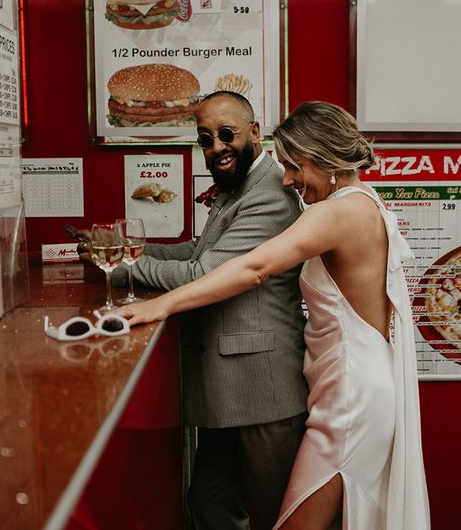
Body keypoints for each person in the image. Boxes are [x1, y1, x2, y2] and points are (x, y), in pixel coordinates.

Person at [111, 101, 431, 530]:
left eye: (294, 167)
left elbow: (253, 268)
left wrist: (160, 304)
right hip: (345, 387)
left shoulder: (336, 213)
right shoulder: (362, 202)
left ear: (322, 159)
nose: (288, 180)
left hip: (352, 399)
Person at [79, 91, 309, 530]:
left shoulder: (269, 197)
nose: (216, 148)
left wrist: (126, 263)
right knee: (209, 504)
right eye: (206, 139)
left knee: (283, 517)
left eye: (227, 135)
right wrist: (130, 254)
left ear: (255, 132)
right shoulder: (240, 186)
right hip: (228, 390)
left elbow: (204, 272)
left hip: (262, 389)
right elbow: (199, 249)